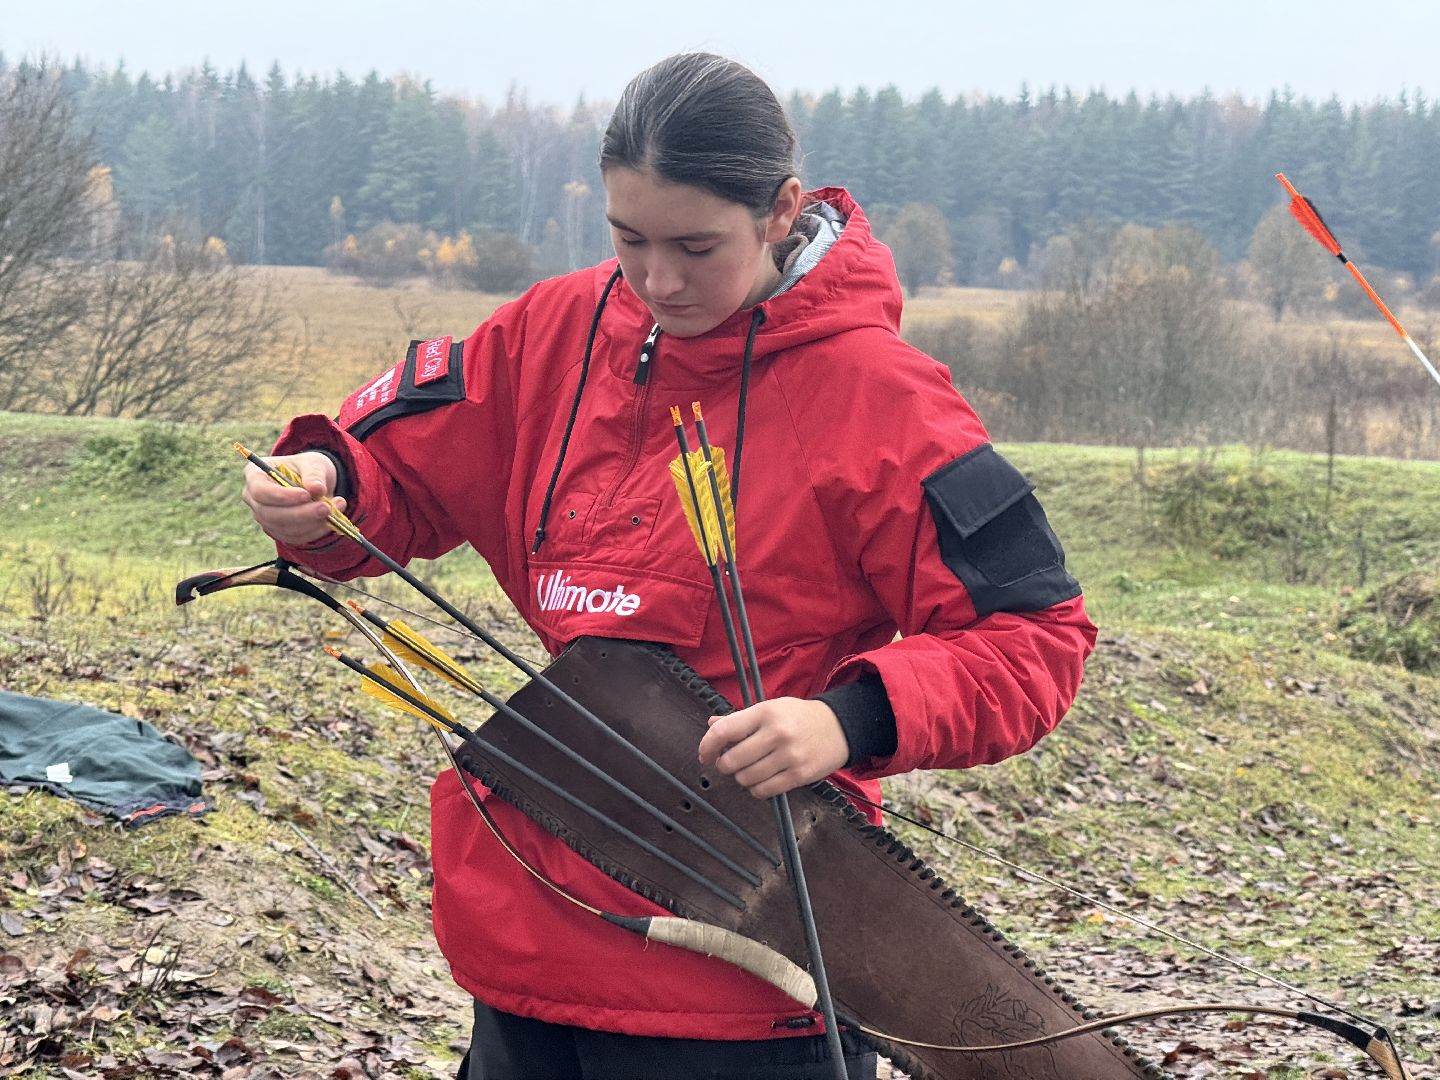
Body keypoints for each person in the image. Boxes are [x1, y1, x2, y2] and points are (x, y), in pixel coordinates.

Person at [243, 52, 1096, 1080]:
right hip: (533, 928)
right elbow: (391, 473)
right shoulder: (556, 330)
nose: (659, 280)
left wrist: (844, 720)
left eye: (698, 247)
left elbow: (1037, 642)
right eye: (628, 239)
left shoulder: (886, 403)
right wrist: (317, 483)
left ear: (782, 211)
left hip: (758, 957)